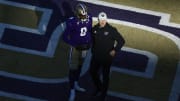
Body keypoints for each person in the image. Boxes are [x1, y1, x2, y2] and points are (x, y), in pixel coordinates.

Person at [90, 12, 125, 101]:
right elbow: (91, 40)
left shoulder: (111, 30)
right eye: (101, 20)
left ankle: (103, 94)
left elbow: (121, 41)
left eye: (104, 20)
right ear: (98, 20)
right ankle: (99, 88)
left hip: (106, 58)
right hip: (96, 57)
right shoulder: (94, 29)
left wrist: (115, 50)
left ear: (106, 20)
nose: (102, 22)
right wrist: (93, 50)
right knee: (92, 72)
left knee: (105, 76)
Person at [62, 3, 92, 101]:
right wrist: (73, 44)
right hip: (76, 49)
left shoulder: (89, 19)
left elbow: (89, 31)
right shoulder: (72, 22)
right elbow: (65, 37)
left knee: (80, 66)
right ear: (77, 14)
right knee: (72, 69)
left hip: (85, 48)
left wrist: (89, 41)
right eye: (83, 15)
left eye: (85, 14)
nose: (85, 17)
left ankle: (76, 83)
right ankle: (72, 91)